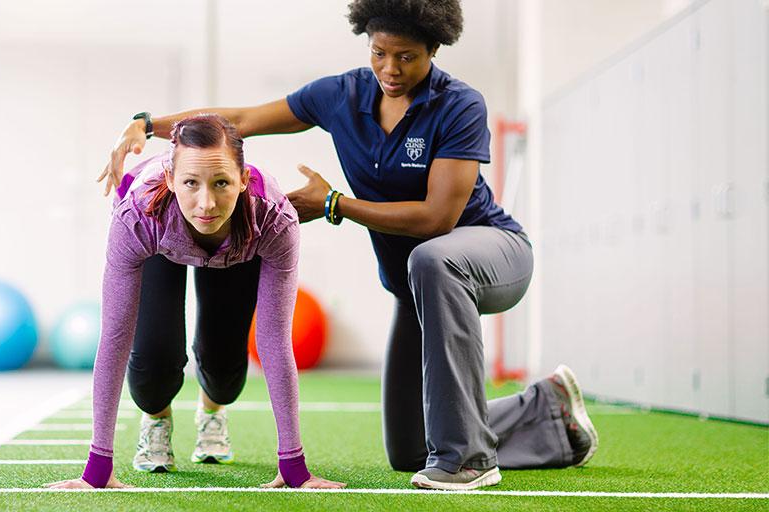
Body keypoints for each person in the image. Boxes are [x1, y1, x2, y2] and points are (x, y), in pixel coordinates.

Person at [96, 0, 598, 491]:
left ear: (435, 49)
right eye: (379, 52)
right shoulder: (343, 95)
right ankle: (549, 414)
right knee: (410, 449)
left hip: (488, 253)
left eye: (407, 56)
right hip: (417, 285)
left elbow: (437, 218)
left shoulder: (460, 105)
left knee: (432, 259)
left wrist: (335, 203)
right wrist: (147, 124)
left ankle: (468, 461)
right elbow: (241, 121)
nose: (391, 68)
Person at [45, 114, 345, 490]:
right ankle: (156, 419)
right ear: (171, 179)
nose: (206, 203)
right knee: (152, 368)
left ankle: (212, 410)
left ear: (243, 181)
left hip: (237, 246)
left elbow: (273, 339)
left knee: (224, 375)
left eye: (221, 183)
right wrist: (98, 468)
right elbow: (115, 337)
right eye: (190, 183)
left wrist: (294, 466)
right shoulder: (138, 215)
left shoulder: (272, 220)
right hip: (161, 238)